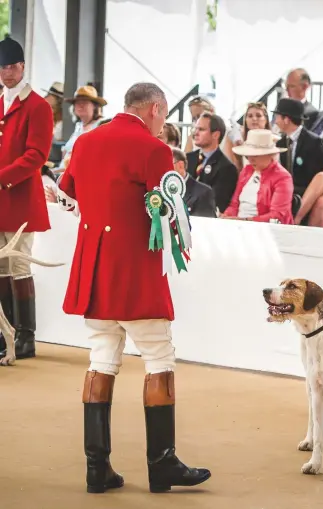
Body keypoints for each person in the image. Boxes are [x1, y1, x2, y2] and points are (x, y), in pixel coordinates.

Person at [55, 83, 211, 494]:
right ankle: (162, 464)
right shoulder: (153, 149)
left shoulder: (87, 142)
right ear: (156, 108)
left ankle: (97, 468)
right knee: (158, 354)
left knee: (102, 355)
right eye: (163, 118)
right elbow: (168, 214)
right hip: (135, 269)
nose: (163, 127)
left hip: (94, 268)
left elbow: (66, 192)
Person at [0, 36, 54, 362]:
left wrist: (3, 178)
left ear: (23, 66)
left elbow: (37, 155)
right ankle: (5, 333)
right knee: (0, 268)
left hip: (19, 197)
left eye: (12, 66)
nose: (7, 72)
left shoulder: (38, 106)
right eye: (3, 66)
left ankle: (26, 337)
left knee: (19, 265)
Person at [222, 129, 294, 223]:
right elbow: (234, 205)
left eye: (256, 155)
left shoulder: (283, 178)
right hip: (239, 226)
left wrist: (245, 221)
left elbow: (277, 216)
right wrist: (226, 216)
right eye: (248, 155)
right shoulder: (246, 171)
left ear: (270, 155)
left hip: (265, 231)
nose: (250, 159)